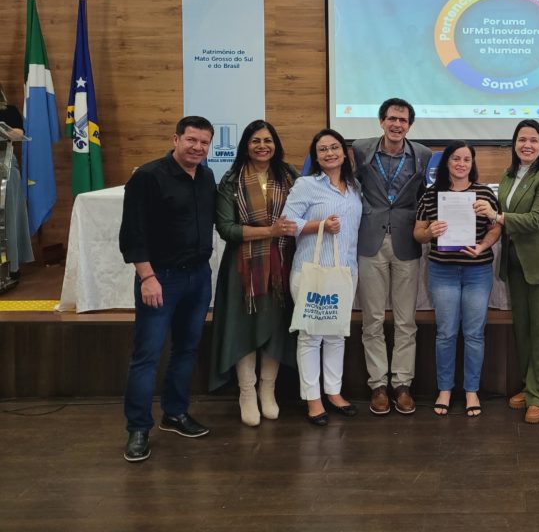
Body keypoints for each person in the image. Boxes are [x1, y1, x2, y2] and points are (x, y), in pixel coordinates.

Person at [119, 116, 217, 462]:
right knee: (147, 355)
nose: (197, 147)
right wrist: (147, 277)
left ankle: (174, 414)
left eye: (204, 142)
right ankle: (138, 428)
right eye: (191, 140)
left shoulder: (206, 176)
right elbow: (132, 233)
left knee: (186, 350)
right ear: (176, 139)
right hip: (161, 278)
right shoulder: (147, 177)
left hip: (198, 277)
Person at [474, 119, 539, 424]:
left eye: (533, 140)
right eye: (522, 140)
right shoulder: (507, 176)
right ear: (514, 144)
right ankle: (531, 387)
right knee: (525, 332)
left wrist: (497, 216)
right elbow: (502, 216)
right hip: (518, 264)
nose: (527, 145)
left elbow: (537, 220)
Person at [209, 120, 299, 426]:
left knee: (275, 325)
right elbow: (226, 229)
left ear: (276, 145)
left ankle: (267, 390)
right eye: (255, 141)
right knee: (243, 327)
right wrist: (269, 231)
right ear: (246, 146)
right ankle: (246, 392)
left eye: (268, 140)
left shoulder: (290, 176)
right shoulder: (231, 180)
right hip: (242, 268)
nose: (262, 146)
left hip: (282, 263)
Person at [351, 98, 432, 415]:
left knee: (405, 320)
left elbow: (423, 195)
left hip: (405, 240)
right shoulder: (361, 149)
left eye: (403, 120)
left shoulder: (422, 154)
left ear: (409, 125)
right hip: (370, 239)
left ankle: (402, 384)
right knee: (372, 319)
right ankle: (378, 385)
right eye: (392, 119)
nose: (397, 125)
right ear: (381, 121)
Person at [414, 141, 501, 417]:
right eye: (456, 158)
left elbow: (496, 227)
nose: (461, 164)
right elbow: (418, 233)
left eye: (466, 159)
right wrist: (430, 232)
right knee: (446, 333)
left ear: (472, 164)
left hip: (477, 271)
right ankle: (445, 389)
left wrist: (483, 246)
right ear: (447, 163)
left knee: (474, 333)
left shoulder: (484, 193)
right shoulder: (431, 194)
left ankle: (472, 390)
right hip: (443, 272)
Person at [283, 129, 362, 425]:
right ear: (315, 157)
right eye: (322, 149)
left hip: (345, 272)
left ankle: (333, 392)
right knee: (311, 335)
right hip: (311, 273)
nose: (329, 153)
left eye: (334, 147)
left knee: (336, 334)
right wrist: (319, 225)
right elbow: (286, 224)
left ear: (344, 152)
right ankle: (313, 399)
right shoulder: (306, 185)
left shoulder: (355, 187)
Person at [0, 84, 33, 279]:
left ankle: (10, 267)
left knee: (8, 215)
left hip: (4, 164)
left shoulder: (9, 111)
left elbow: (19, 133)